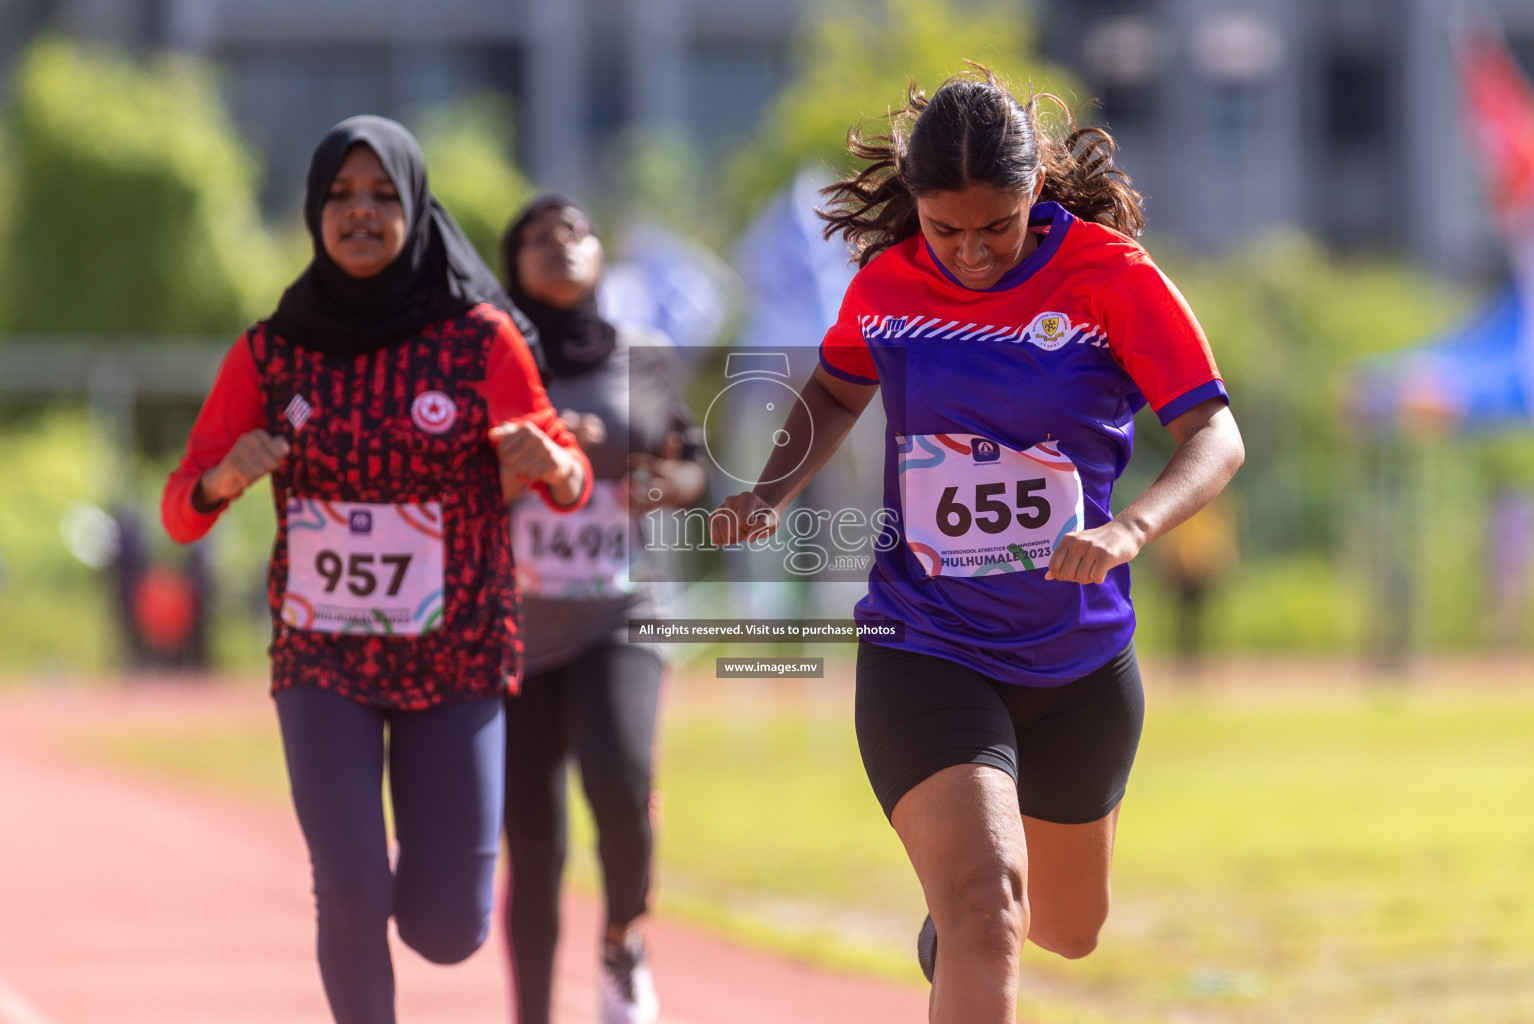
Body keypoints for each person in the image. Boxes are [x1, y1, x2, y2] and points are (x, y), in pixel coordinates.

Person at [711, 69, 1244, 1024]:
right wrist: (769, 489)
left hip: (1077, 658)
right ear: (915, 207)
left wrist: (1132, 527)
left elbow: (1215, 432)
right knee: (991, 904)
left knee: (1067, 927)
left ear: (1035, 189)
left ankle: (951, 928)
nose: (969, 253)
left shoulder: (1110, 278)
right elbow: (838, 389)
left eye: (994, 227)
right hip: (927, 643)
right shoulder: (888, 286)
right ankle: (964, 916)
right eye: (944, 230)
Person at [160, 116, 591, 1024]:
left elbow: (565, 466)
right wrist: (225, 476)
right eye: (341, 198)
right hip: (323, 656)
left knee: (445, 930)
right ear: (315, 212)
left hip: (457, 653)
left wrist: (550, 463)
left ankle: (436, 899)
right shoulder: (270, 351)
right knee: (349, 889)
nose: (361, 214)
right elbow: (180, 507)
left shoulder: (479, 340)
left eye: (383, 197)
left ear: (416, 208)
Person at [498, 195, 706, 1024]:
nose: (560, 246)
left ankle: (623, 939)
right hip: (513, 631)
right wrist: (533, 462)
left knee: (622, 782)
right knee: (534, 845)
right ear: (512, 263)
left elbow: (693, 467)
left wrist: (663, 484)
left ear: (598, 254)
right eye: (538, 238)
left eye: (575, 232)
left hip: (619, 613)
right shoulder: (493, 360)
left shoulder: (643, 356)